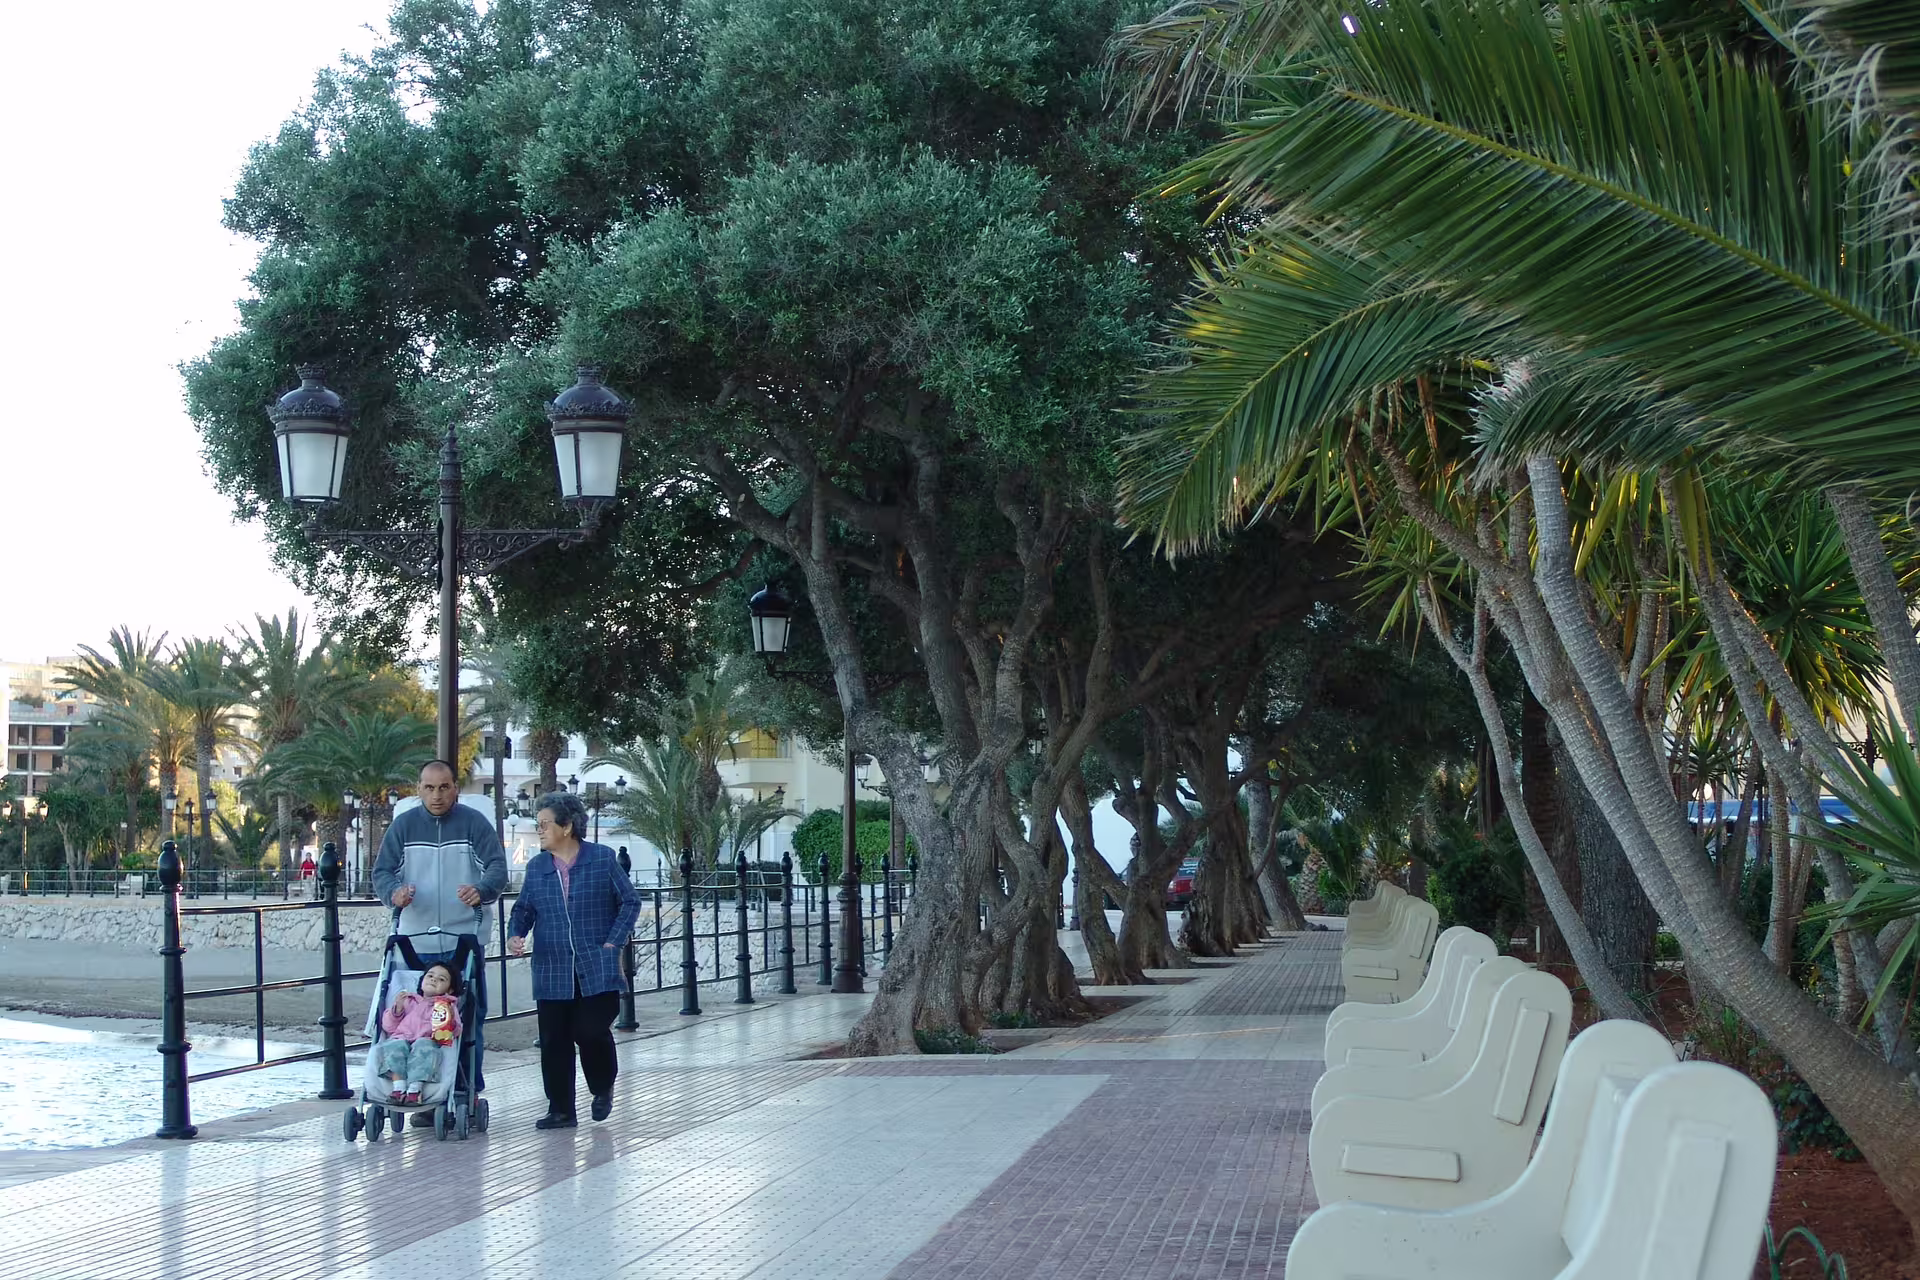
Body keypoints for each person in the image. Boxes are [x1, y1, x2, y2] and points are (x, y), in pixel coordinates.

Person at [372, 759, 507, 1125]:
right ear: (418, 789)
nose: (436, 794)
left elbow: (497, 868)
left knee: (464, 1017)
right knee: (414, 1018)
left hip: (464, 939)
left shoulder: (473, 824)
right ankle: (419, 1091)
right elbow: (381, 872)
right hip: (415, 941)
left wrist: (480, 890)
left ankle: (464, 1089)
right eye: (429, 788)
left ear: (455, 788)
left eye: (444, 787)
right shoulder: (404, 826)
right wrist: (393, 893)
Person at [508, 790, 641, 1130]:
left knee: (590, 1030)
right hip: (551, 966)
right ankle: (561, 1110)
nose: (539, 830)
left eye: (544, 824)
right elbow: (524, 908)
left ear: (566, 827)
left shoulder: (602, 858)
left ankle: (602, 1086)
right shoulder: (537, 867)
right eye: (537, 824)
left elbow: (630, 901)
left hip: (598, 964)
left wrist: (613, 942)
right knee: (553, 1039)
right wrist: (515, 934)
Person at [375, 962, 462, 1105]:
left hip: (427, 1039)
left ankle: (415, 1090)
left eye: (442, 979)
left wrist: (450, 1019)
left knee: (424, 1048)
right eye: (430, 976)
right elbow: (389, 1027)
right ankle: (399, 1087)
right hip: (402, 1037)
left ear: (450, 989)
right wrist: (397, 1009)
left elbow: (456, 1031)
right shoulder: (409, 1000)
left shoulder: (447, 1006)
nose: (434, 980)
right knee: (394, 1046)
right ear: (422, 980)